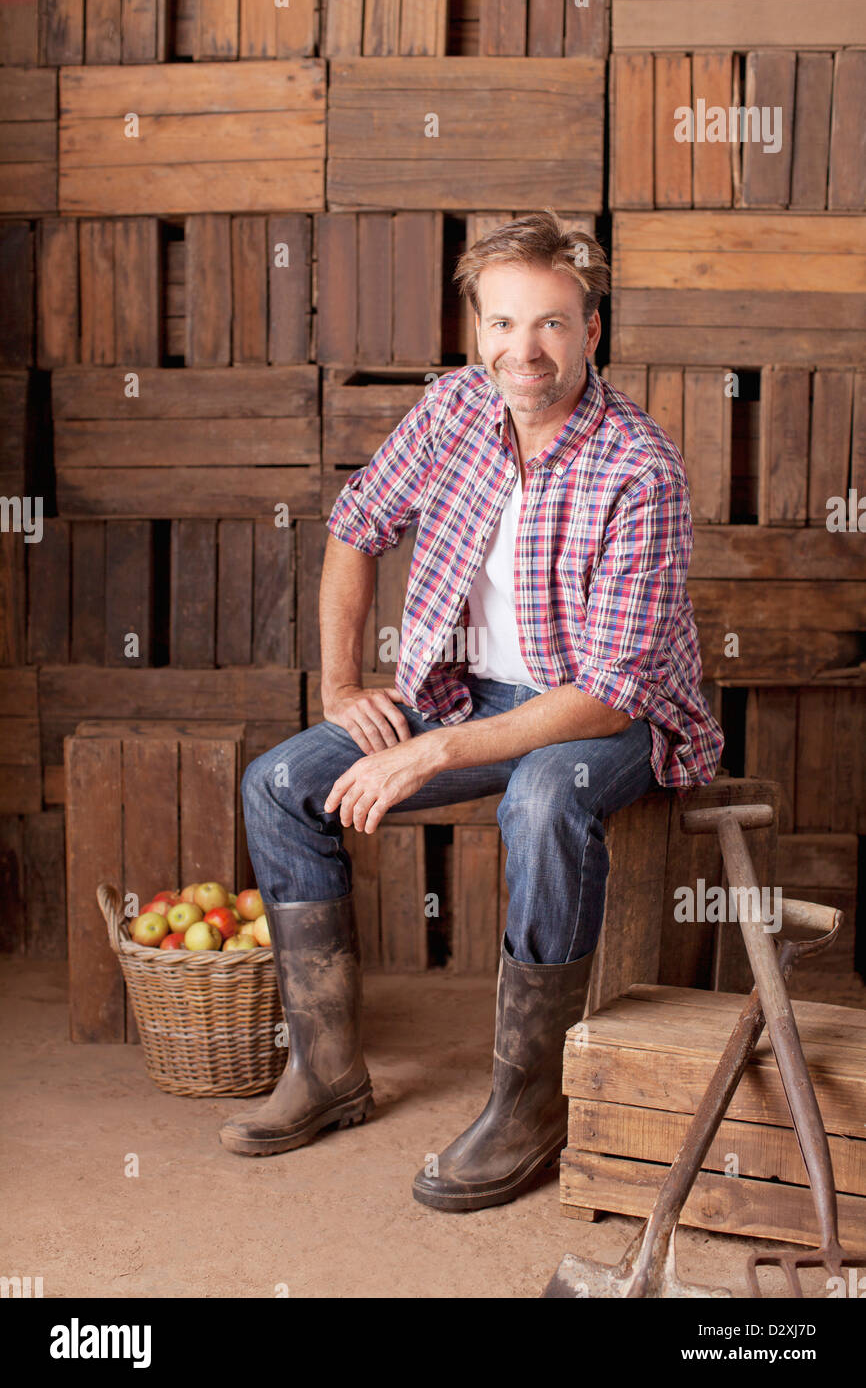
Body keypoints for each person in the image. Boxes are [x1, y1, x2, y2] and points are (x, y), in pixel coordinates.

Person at [219, 210, 724, 1211]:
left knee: (541, 796)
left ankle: (527, 1104)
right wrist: (341, 686)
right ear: (473, 329)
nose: (521, 350)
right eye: (500, 324)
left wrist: (429, 751)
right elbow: (356, 526)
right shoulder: (453, 410)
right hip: (468, 693)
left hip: (609, 718)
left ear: (590, 329)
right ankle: (325, 1070)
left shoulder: (639, 468)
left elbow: (608, 689)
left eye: (548, 324)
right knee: (277, 784)